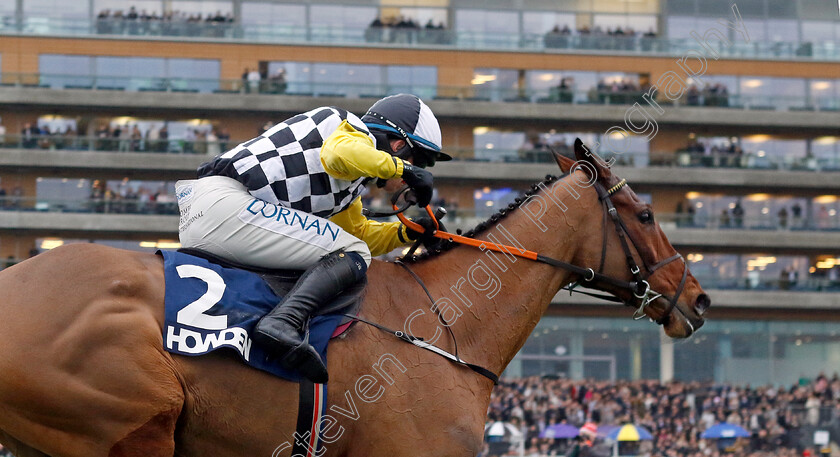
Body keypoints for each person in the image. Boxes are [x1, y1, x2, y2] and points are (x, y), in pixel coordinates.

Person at [176, 94, 450, 383]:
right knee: (352, 251)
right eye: (420, 161)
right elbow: (339, 154)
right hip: (228, 205)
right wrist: (404, 169)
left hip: (216, 213)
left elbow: (356, 235)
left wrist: (405, 232)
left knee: (349, 249)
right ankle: (284, 322)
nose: (415, 175)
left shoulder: (351, 184)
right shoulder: (348, 127)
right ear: (398, 146)